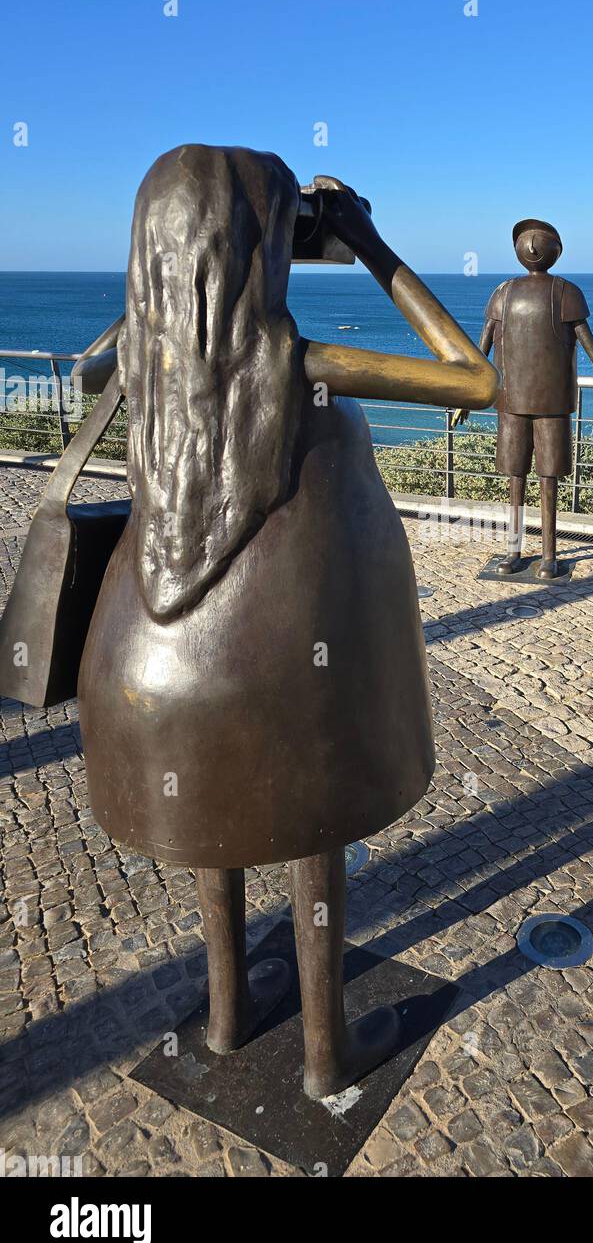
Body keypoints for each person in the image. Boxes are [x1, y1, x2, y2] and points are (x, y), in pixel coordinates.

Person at [72, 144, 497, 1097]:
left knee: (211, 818)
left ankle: (224, 1022)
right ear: (263, 252)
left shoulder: (142, 357)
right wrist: (360, 238)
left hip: (152, 652)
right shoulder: (306, 366)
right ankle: (323, 1057)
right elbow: (474, 380)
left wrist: (176, 272)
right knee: (309, 833)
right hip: (280, 665)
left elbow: (89, 359)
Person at [453, 219, 593, 578]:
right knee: (542, 479)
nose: (533, 247)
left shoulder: (503, 292)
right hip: (544, 405)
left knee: (518, 479)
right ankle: (547, 557)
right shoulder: (565, 292)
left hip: (513, 403)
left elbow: (479, 357)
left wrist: (466, 395)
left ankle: (516, 553)